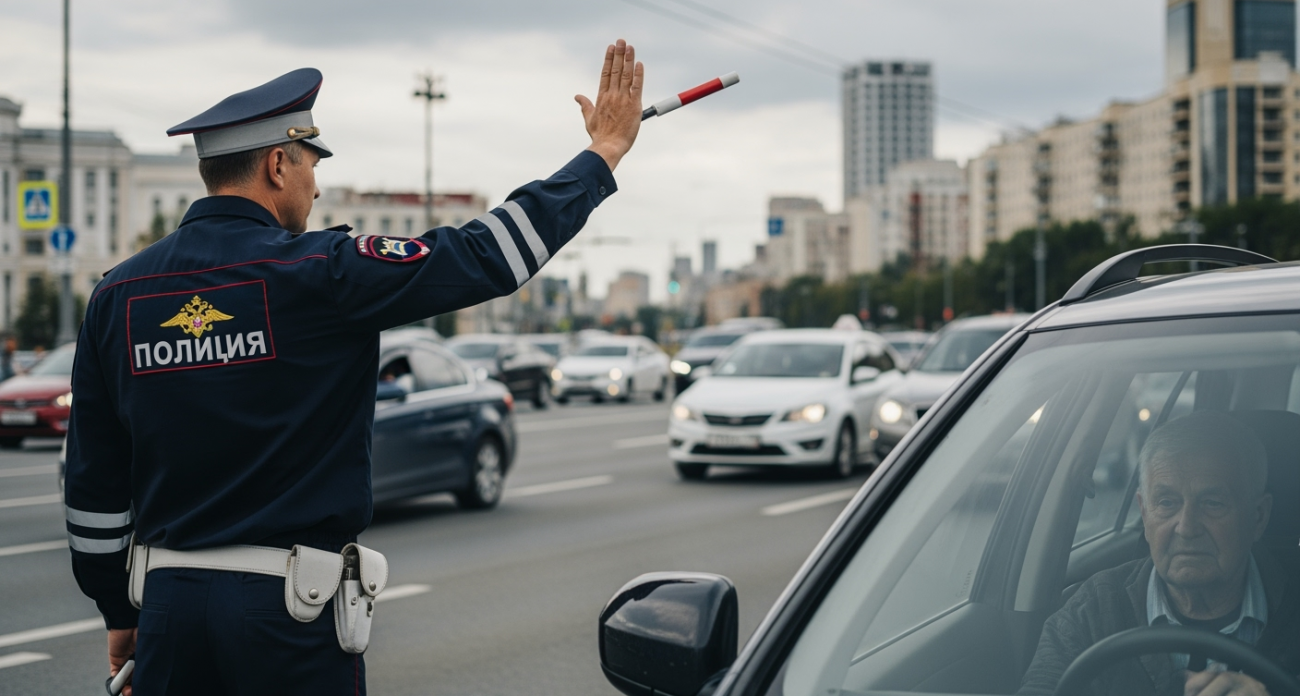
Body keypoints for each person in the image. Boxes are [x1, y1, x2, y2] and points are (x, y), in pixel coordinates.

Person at [64, 40, 644, 695]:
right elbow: (489, 255)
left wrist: (118, 608)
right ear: (278, 164)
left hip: (167, 614)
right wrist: (601, 157)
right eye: (312, 161)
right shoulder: (323, 272)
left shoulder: (117, 297)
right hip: (290, 619)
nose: (317, 183)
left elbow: (92, 491)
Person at [1019, 411, 1300, 696]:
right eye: (1167, 502)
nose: (1187, 528)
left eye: (1213, 503)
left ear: (1258, 517)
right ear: (1144, 512)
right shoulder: (1092, 612)